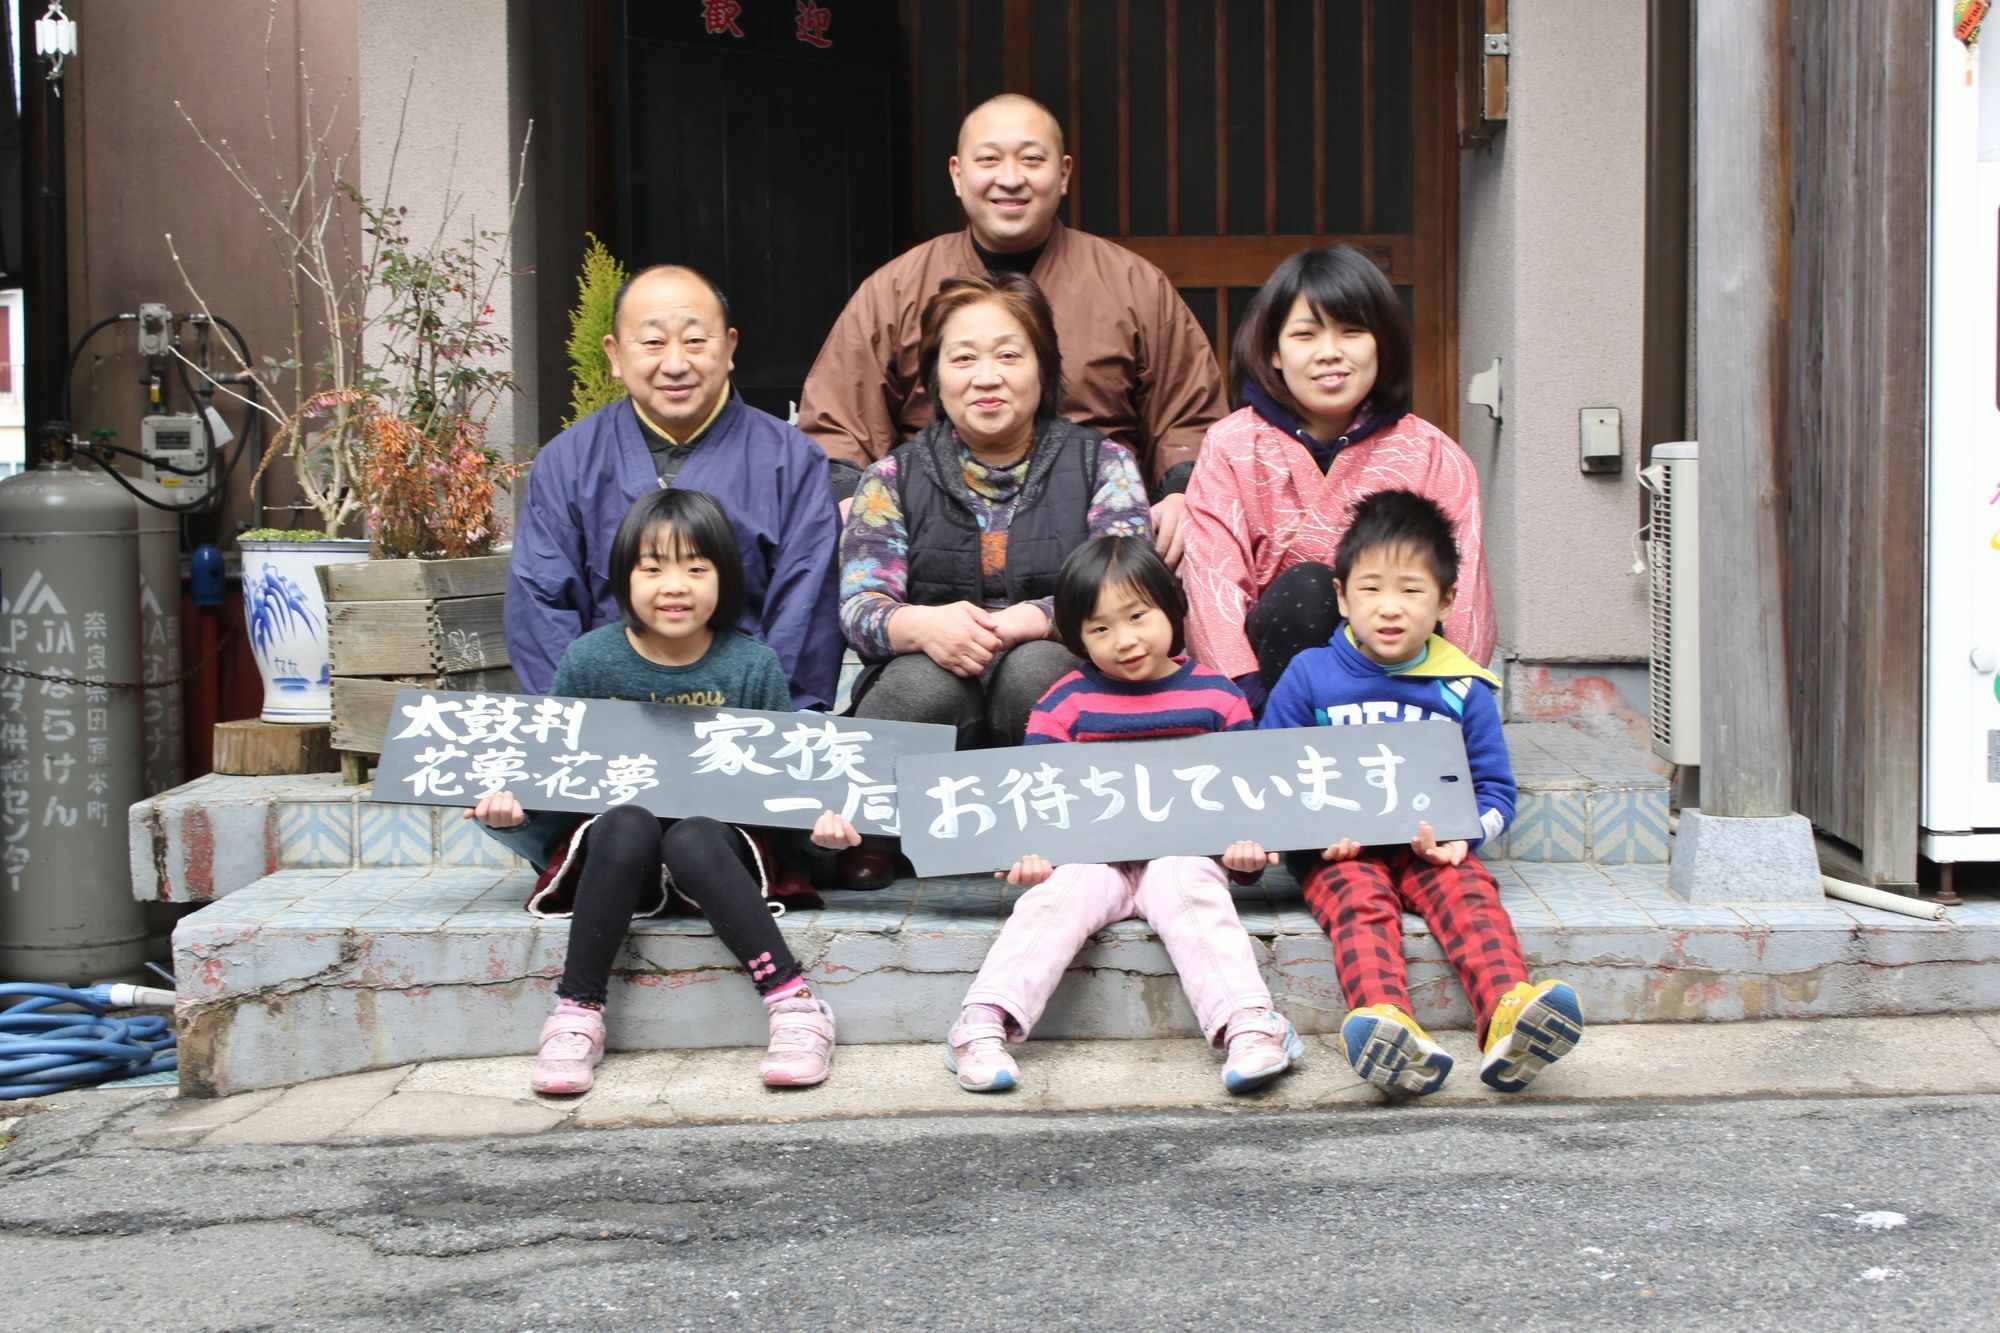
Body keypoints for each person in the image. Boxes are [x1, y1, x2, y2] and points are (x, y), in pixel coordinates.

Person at [817, 536, 1303, 1096]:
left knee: (1188, 881)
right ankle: (982, 1023)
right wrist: (1028, 857)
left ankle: (1248, 1023)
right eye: (1099, 629)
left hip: (1181, 857)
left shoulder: (1218, 698)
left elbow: (1246, 806)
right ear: (1074, 639)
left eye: (1138, 616)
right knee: (1056, 896)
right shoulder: (1064, 702)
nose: (1123, 640)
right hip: (1092, 860)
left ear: (1173, 609)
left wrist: (1243, 855)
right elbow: (1035, 802)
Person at [474, 489, 838, 1095]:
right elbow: (553, 776)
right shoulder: (589, 662)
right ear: (623, 578)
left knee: (693, 832)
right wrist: (511, 815)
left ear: (725, 579)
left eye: (697, 568)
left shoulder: (752, 666)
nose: (675, 585)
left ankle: (794, 1004)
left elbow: (783, 786)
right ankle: (577, 1013)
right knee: (628, 821)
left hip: (718, 855)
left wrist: (822, 836)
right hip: (621, 861)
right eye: (653, 567)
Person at [1249, 489, 1582, 1097]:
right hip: (1340, 855)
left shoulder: (1461, 686)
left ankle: (1510, 1015)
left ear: (1446, 599)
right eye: (1371, 589)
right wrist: (1311, 834)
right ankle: (1387, 1024)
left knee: (1470, 896)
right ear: (1343, 597)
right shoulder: (1310, 677)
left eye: (1411, 590)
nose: (1389, 608)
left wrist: (1466, 836)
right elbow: (1272, 777)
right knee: (1359, 903)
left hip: (1431, 848)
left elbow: (1496, 791)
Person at [799, 93, 1223, 568]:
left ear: (1063, 173)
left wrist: (1184, 492)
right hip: (933, 533)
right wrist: (850, 498)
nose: (1010, 178)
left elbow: (1189, 414)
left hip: (1096, 528)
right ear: (958, 174)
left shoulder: (1133, 284)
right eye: (989, 160)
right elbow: (840, 418)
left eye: (1031, 159)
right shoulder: (895, 288)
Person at [838, 271, 1152, 751]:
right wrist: (922, 626)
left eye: (1009, 355)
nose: (987, 377)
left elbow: (1128, 594)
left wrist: (1025, 622)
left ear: (1043, 368)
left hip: (1061, 685)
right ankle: (862, 827)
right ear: (934, 377)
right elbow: (861, 607)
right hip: (931, 683)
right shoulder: (889, 479)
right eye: (963, 358)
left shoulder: (1105, 466)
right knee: (922, 684)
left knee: (1037, 669)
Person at [506, 264, 841, 710]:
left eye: (696, 340)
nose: (676, 363)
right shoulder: (567, 462)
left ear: (730, 347)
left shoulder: (792, 461)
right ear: (614, 355)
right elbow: (542, 608)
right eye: (652, 342)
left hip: (746, 720)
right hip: (606, 722)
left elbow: (806, 612)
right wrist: (573, 725)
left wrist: (767, 729)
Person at [1180, 245, 1497, 715]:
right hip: (1269, 692)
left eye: (1352, 332)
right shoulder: (1231, 445)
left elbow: (1462, 591)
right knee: (1309, 590)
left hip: (1403, 686)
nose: (1330, 354)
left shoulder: (1433, 454)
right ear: (1273, 352)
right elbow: (1213, 583)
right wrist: (1245, 705)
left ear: (1381, 344)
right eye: (1306, 335)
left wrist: (1460, 701)